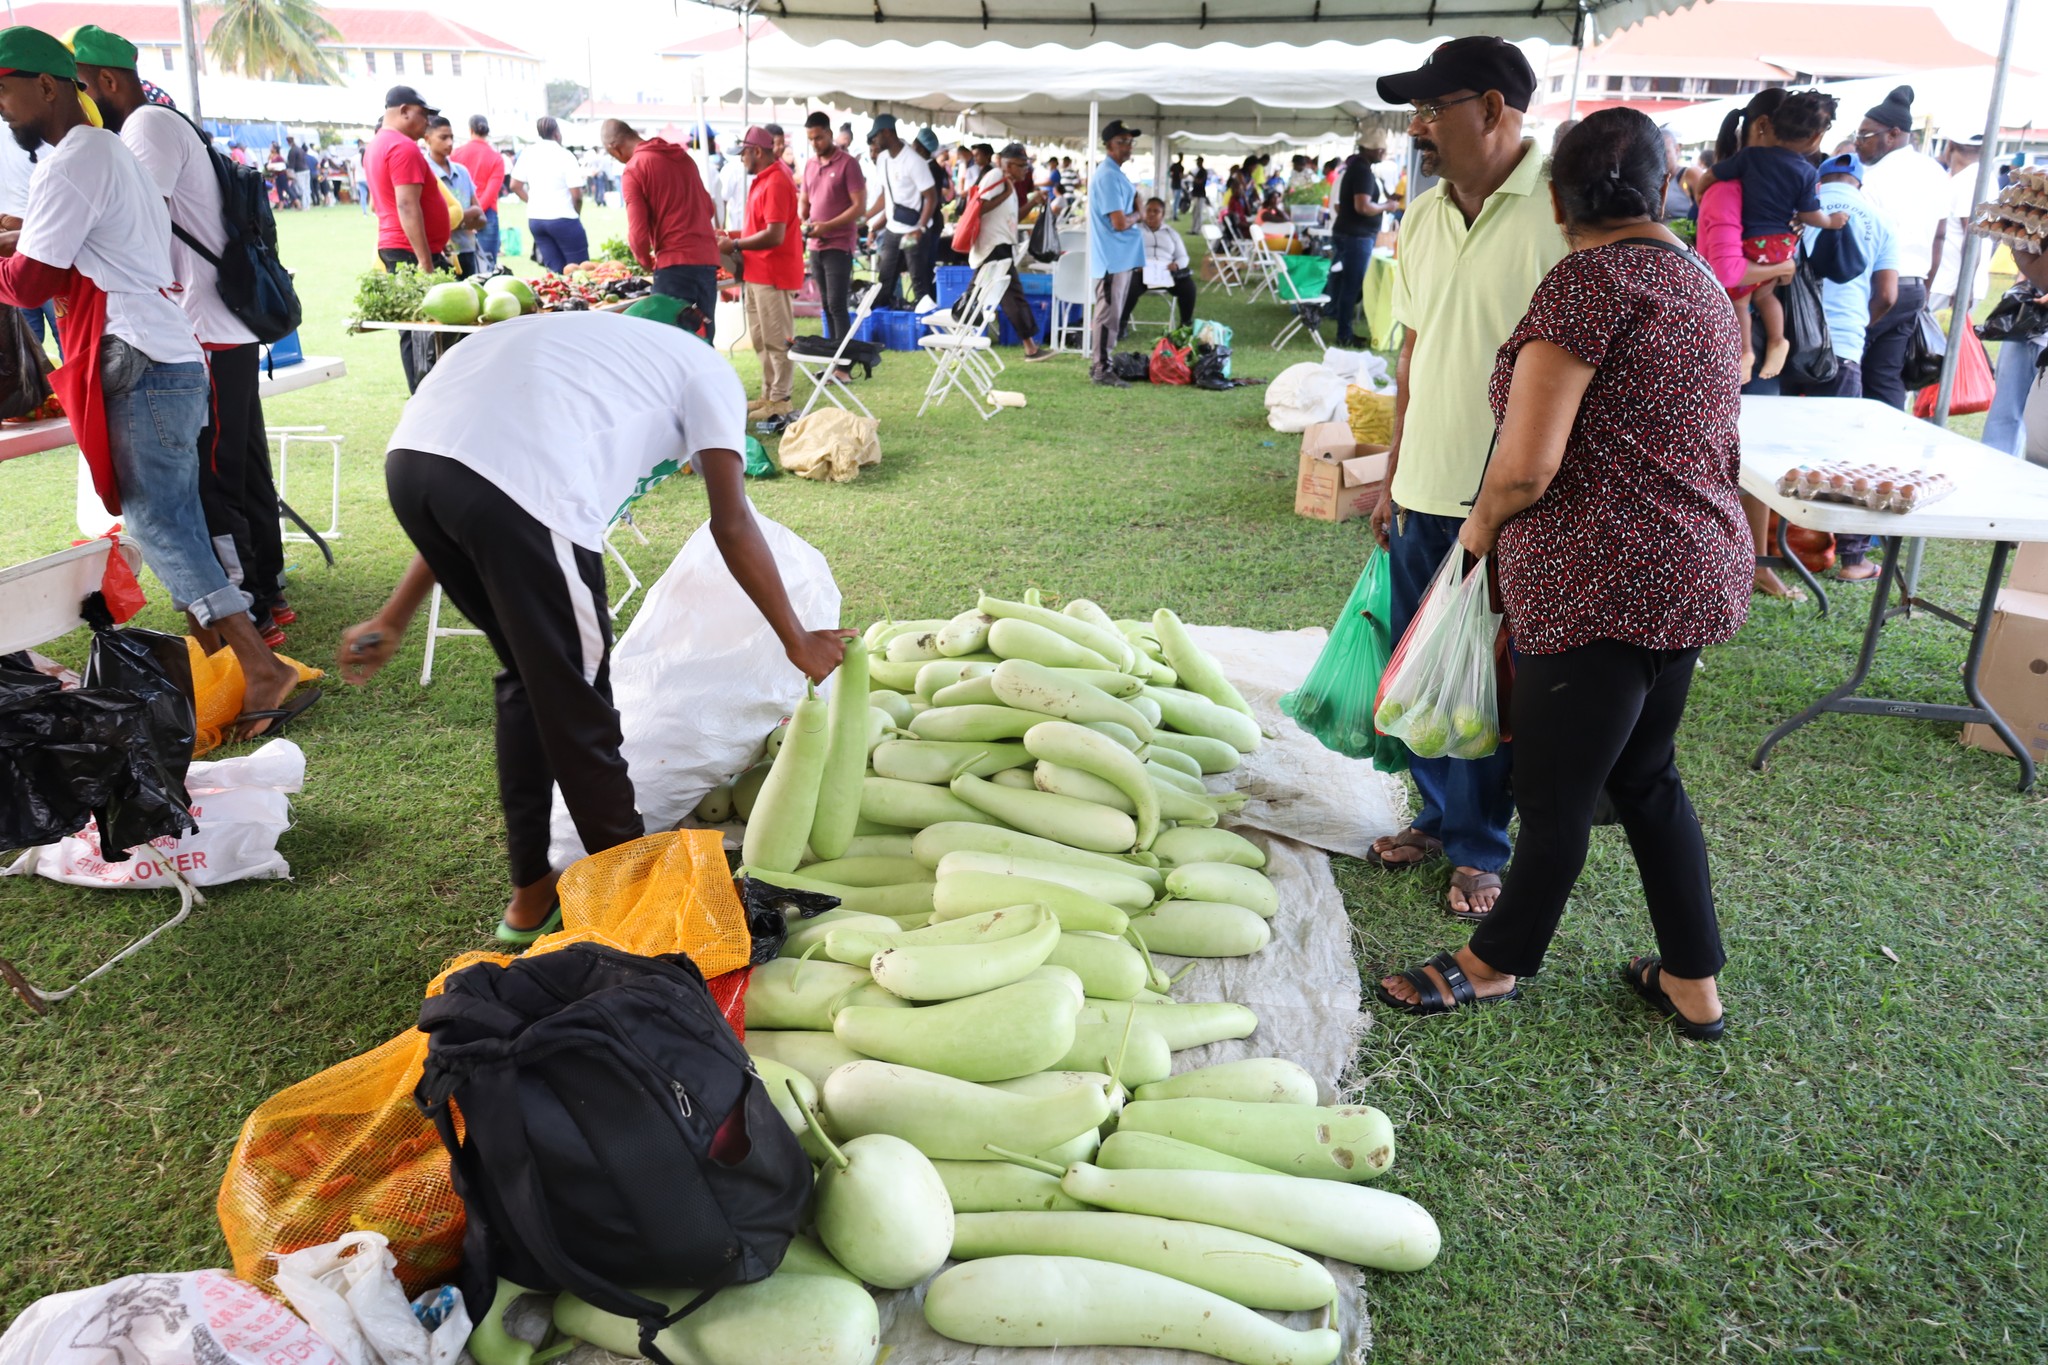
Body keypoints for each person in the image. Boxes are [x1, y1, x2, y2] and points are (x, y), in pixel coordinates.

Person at [1375, 108, 1746, 1041]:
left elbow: (1527, 465)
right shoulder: (1699, 283)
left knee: (1552, 795)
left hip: (1600, 581)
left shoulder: (1586, 285)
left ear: (1555, 198)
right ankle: (1692, 979)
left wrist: (1474, 536)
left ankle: (1494, 961)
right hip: (1692, 567)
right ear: (1665, 188)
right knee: (1647, 776)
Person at [338, 305, 848, 941]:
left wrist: (395, 614)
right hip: (521, 489)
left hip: (413, 465)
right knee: (580, 705)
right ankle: (634, 905)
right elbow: (731, 519)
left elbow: (471, 482)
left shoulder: (584, 345)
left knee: (532, 686)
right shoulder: (709, 371)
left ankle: (530, 900)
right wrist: (797, 639)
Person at [0, 25, 303, 734]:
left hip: (138, 354)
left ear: (47, 86)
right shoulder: (107, 148)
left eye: (6, 91)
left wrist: (8, 256)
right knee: (180, 514)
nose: (3, 109)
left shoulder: (77, 157)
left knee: (158, 520)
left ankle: (260, 666)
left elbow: (33, 281)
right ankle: (218, 655)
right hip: (163, 350)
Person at [1368, 35, 1569, 920]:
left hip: (1511, 497)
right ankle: (1439, 815)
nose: (1418, 128)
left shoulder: (1565, 209)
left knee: (1484, 681)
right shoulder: (1421, 216)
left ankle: (1482, 849)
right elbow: (1413, 354)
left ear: (1492, 109)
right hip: (1421, 485)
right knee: (1421, 671)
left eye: (1432, 109)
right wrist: (1392, 472)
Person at [76, 24, 295, 641]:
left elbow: (134, 220)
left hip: (206, 328)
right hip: (218, 324)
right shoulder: (162, 123)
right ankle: (266, 592)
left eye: (78, 87)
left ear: (108, 81)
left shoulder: (145, 127)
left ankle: (249, 608)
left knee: (217, 477)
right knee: (242, 467)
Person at [1782, 152, 1899, 581]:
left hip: (1789, 343)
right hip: (1843, 345)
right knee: (1842, 453)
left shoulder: (1800, 208)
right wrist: (1853, 329)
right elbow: (1887, 295)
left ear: (1820, 177)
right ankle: (1852, 558)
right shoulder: (1880, 219)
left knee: (1778, 444)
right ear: (1859, 184)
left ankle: (1770, 543)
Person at [1696, 88, 1846, 382]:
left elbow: (1713, 174)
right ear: (1815, 137)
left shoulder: (1746, 162)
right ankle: (1778, 340)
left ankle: (1745, 353)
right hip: (1783, 248)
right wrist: (1830, 223)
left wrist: (1700, 190)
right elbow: (1809, 215)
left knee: (1741, 301)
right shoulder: (1805, 172)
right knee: (1765, 294)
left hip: (1756, 247)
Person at [1854, 85, 1949, 408]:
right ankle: (1887, 450)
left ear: (1893, 134)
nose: (1858, 142)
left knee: (1850, 368)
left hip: (1876, 287)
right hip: (1913, 288)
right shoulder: (1936, 173)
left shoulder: (1874, 176)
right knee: (1885, 376)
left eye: (1865, 135)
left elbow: (1862, 241)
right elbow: (1940, 237)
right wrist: (1925, 288)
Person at [366, 85, 450, 392]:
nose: (427, 122)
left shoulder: (378, 143)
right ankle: (427, 399)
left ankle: (424, 397)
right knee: (425, 330)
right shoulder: (402, 146)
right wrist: (426, 261)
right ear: (403, 111)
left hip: (396, 245)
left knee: (415, 329)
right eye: (422, 114)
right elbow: (406, 205)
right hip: (408, 250)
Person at [604, 118, 718, 335]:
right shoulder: (683, 157)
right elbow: (708, 208)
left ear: (615, 148)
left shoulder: (634, 168)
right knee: (703, 337)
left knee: (668, 340)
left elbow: (638, 231)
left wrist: (645, 261)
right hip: (707, 262)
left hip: (674, 265)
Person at [718, 126, 801, 420]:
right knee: (760, 337)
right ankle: (769, 395)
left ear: (756, 151)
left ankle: (781, 399)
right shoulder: (764, 179)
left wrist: (735, 242)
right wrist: (731, 236)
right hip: (757, 271)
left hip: (772, 273)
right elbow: (760, 228)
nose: (741, 159)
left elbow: (775, 235)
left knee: (777, 339)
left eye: (743, 153)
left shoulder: (776, 180)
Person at [969, 142, 1050, 361]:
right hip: (993, 245)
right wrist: (1005, 193)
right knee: (1012, 296)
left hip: (998, 245)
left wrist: (1033, 201)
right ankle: (1030, 348)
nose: (1026, 170)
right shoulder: (996, 177)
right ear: (1007, 164)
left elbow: (1014, 217)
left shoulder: (1009, 184)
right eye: (1022, 166)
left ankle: (955, 331)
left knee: (976, 294)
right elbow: (980, 207)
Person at [798, 110, 864, 360]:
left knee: (837, 305)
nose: (815, 144)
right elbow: (805, 199)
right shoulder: (810, 165)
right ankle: (831, 359)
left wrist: (828, 226)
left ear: (829, 133)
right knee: (825, 305)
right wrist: (804, 216)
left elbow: (858, 207)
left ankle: (843, 364)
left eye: (818, 138)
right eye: (811, 139)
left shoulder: (848, 164)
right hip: (815, 244)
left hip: (839, 244)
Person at [1086, 119, 1144, 388]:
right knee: (1108, 313)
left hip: (1118, 256)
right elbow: (1119, 222)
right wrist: (1139, 214)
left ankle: (1102, 364)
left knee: (1111, 312)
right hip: (1112, 257)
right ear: (1108, 145)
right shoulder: (1108, 175)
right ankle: (1101, 368)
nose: (1128, 147)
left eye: (1130, 142)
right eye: (1122, 142)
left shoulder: (1114, 173)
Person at [1331, 142, 1395, 348]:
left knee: (1345, 284)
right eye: (1380, 148)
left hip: (1350, 233)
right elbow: (1363, 206)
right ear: (1368, 148)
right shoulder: (1361, 171)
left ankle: (1342, 327)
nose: (1383, 151)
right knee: (1351, 286)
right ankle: (1344, 334)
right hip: (1356, 237)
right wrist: (1388, 206)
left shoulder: (1356, 169)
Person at [866, 114, 934, 310]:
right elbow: (886, 196)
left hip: (913, 230)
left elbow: (931, 197)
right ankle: (885, 327)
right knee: (884, 281)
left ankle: (928, 329)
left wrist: (920, 229)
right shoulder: (883, 159)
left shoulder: (914, 161)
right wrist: (866, 217)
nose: (874, 141)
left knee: (919, 282)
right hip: (893, 230)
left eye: (876, 136)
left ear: (887, 133)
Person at [510, 115, 587, 274]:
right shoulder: (565, 155)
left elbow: (515, 185)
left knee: (555, 273)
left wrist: (532, 201)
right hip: (564, 218)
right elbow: (577, 196)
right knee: (580, 272)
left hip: (537, 219)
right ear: (557, 134)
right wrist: (575, 213)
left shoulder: (527, 153)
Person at [1928, 134, 1991, 314]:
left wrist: (1964, 288)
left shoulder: (1968, 180)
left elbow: (1972, 236)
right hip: (1954, 284)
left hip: (1949, 287)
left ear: (1950, 145)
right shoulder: (1983, 175)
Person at [1119, 196, 1196, 333]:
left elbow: (1183, 256)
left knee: (1188, 286)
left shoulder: (1171, 233)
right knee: (1130, 285)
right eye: (1149, 210)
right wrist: (1136, 266)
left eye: (1156, 211)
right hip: (1142, 273)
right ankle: (1122, 324)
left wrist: (1177, 265)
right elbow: (1126, 253)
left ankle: (1185, 325)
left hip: (1167, 273)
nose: (1152, 214)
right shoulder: (1135, 231)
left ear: (1163, 214)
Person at [425, 116, 484, 278]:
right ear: (427, 139)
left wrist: (453, 220)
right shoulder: (424, 172)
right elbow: (429, 223)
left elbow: (482, 219)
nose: (449, 143)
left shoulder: (462, 171)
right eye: (443, 138)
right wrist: (468, 215)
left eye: (451, 137)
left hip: (467, 248)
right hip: (440, 253)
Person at [450, 115, 504, 274]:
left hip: (460, 213)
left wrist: (466, 216)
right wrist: (477, 214)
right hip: (486, 215)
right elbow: (491, 191)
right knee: (488, 267)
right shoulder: (496, 158)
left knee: (460, 268)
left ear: (470, 130)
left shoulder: (456, 154)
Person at [286, 137, 310, 210]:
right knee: (306, 188)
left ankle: (303, 206)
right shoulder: (300, 149)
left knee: (300, 189)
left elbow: (291, 165)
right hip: (306, 170)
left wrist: (289, 176)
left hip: (299, 172)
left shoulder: (292, 151)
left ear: (288, 142)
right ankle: (307, 205)